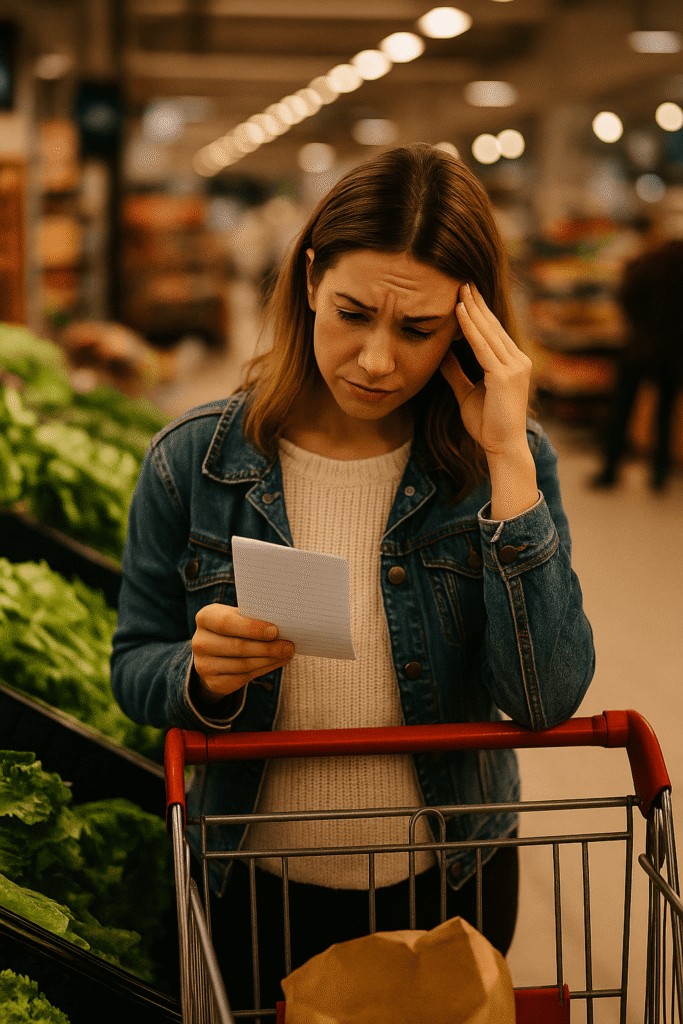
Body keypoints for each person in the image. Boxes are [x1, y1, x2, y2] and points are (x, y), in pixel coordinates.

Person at [111, 144, 595, 1009]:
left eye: (417, 330)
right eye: (352, 313)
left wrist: (507, 466)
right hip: (248, 883)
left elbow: (542, 697)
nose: (376, 360)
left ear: (469, 326)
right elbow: (132, 665)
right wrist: (201, 678)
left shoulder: (504, 468)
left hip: (448, 877)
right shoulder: (195, 463)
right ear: (307, 281)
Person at [593, 234, 683, 490]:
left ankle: (610, 468)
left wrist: (638, 325)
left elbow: (626, 298)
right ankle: (660, 474)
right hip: (672, 351)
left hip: (639, 346)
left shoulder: (645, 265)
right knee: (665, 413)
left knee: (622, 409)